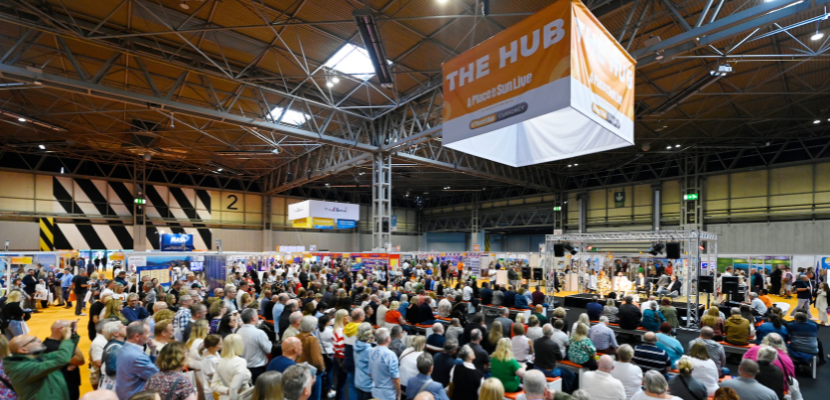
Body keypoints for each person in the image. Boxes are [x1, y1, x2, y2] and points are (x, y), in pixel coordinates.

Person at [5, 320, 79, 400]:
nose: (40, 340)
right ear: (23, 350)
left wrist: (72, 334)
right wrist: (66, 338)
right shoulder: (22, 368)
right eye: (34, 340)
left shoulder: (39, 358)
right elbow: (61, 360)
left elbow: (67, 353)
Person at [42, 320, 85, 400]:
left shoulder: (47, 343)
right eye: (70, 328)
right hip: (65, 386)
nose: (71, 331)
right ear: (61, 329)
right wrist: (68, 339)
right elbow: (80, 360)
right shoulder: (56, 347)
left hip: (63, 384)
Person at [116, 321, 160, 400]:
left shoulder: (125, 348)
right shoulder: (137, 357)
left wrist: (153, 351)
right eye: (148, 333)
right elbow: (157, 376)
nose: (151, 335)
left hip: (125, 394)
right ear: (137, 336)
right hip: (135, 396)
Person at [211, 334, 252, 400]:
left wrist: (227, 390)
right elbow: (234, 388)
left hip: (224, 397)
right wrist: (230, 391)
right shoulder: (240, 361)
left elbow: (214, 385)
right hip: (239, 397)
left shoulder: (220, 362)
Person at [235, 309, 271, 383]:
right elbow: (269, 349)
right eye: (257, 315)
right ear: (253, 318)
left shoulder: (238, 331)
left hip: (243, 367)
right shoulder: (259, 333)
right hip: (257, 368)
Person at [368, 328, 402, 400]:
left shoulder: (371, 351)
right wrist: (399, 394)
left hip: (375, 392)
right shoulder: (391, 355)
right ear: (387, 339)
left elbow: (370, 373)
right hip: (388, 395)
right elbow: (395, 378)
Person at [354, 323, 375, 400]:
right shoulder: (370, 350)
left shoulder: (356, 345)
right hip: (368, 385)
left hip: (358, 381)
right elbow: (372, 371)